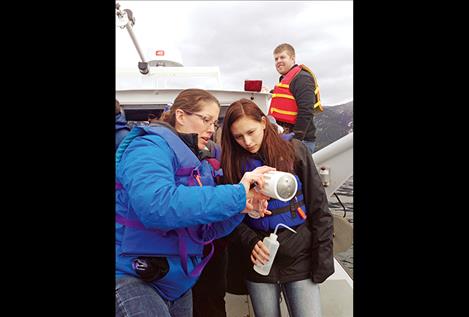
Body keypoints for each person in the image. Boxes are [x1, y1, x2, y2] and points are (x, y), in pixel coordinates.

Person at [115, 89, 274, 317]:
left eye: (215, 122)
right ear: (180, 116)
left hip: (175, 284)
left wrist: (243, 206)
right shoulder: (147, 147)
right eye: (206, 119)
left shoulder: (199, 162)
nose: (212, 128)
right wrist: (237, 193)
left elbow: (205, 231)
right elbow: (156, 206)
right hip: (133, 276)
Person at [221, 98, 334, 317]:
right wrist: (251, 242)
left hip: (300, 255)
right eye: (238, 137)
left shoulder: (294, 150)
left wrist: (322, 259)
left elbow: (319, 207)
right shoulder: (232, 164)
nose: (247, 141)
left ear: (263, 122)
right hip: (260, 260)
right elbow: (230, 216)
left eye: (251, 132)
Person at [269, 43, 323, 154]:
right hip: (286, 138)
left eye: (282, 57)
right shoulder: (286, 79)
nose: (278, 61)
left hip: (300, 141)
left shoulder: (302, 78)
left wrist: (296, 140)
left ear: (292, 58)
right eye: (276, 59)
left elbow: (306, 110)